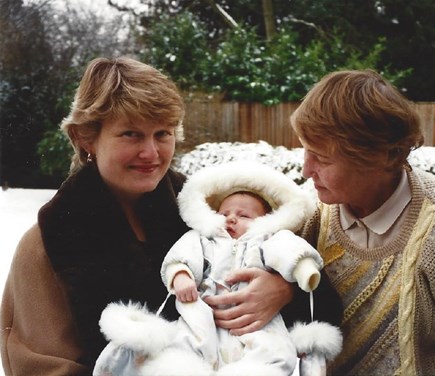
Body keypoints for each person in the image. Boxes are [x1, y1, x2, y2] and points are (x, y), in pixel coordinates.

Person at [0, 57, 291, 376]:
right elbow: (42, 366)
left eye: (162, 133)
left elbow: (309, 289)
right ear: (87, 138)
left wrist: (284, 290)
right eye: (131, 134)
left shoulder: (209, 213)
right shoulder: (48, 242)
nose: (151, 153)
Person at [284, 69, 435, 375]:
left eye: (323, 159)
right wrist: (282, 287)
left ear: (382, 157)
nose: (306, 170)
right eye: (306, 151)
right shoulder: (311, 211)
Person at [93, 161, 342, 376]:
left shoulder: (268, 239)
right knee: (186, 339)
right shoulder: (203, 239)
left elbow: (290, 250)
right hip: (204, 310)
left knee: (272, 348)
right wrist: (180, 276)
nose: (231, 218)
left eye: (243, 215)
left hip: (256, 321)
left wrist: (303, 268)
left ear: (266, 221)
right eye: (225, 213)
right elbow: (181, 257)